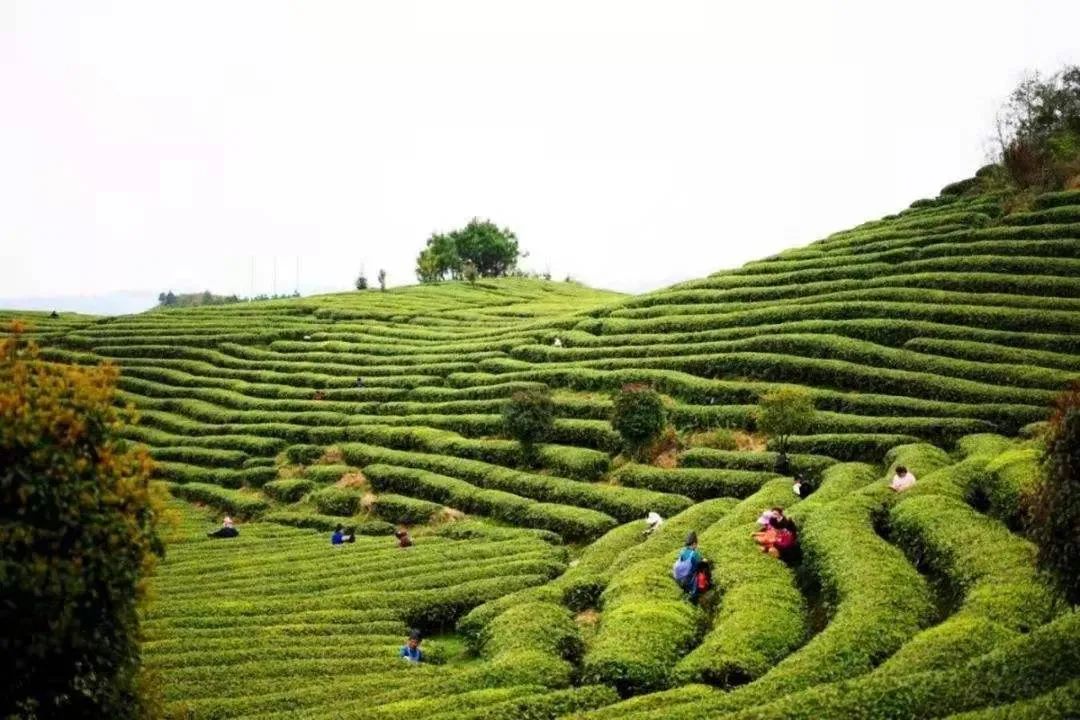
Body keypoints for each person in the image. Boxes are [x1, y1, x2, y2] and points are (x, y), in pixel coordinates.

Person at [672, 532, 702, 596]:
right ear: (694, 543)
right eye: (696, 544)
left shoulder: (682, 550)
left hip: (678, 578)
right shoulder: (694, 554)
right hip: (687, 579)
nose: (697, 546)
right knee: (701, 570)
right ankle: (694, 593)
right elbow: (700, 562)